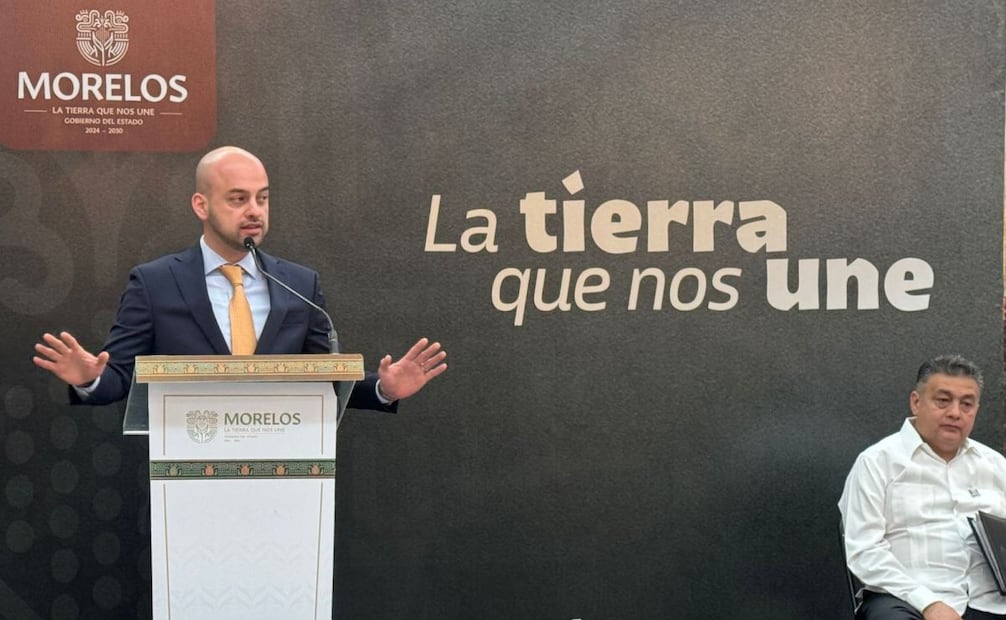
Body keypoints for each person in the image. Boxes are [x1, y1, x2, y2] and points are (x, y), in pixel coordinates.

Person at [32, 145, 446, 410]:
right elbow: (119, 378)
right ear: (201, 205)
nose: (254, 210)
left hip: (284, 474)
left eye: (262, 198)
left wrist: (384, 389)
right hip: (187, 473)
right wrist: (91, 378)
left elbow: (326, 381)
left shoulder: (299, 285)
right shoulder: (155, 283)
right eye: (238, 199)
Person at [839, 355, 1006, 620]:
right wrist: (929, 603)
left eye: (966, 404)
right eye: (943, 400)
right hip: (906, 600)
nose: (955, 413)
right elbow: (864, 551)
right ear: (916, 402)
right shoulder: (877, 462)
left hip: (991, 602)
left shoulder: (996, 466)